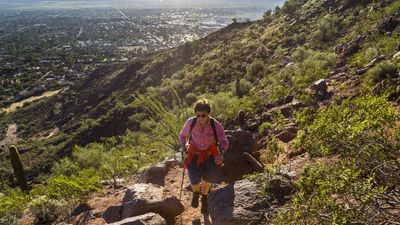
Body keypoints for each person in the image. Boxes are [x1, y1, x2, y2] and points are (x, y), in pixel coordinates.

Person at [179, 98, 229, 214]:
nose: (200, 118)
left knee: (206, 179)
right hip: (193, 154)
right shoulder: (191, 122)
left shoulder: (214, 124)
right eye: (198, 115)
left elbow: (223, 141)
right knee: (194, 180)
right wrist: (183, 149)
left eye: (203, 115)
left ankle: (205, 198)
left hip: (209, 156)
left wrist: (221, 153)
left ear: (208, 114)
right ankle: (196, 193)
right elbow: (182, 136)